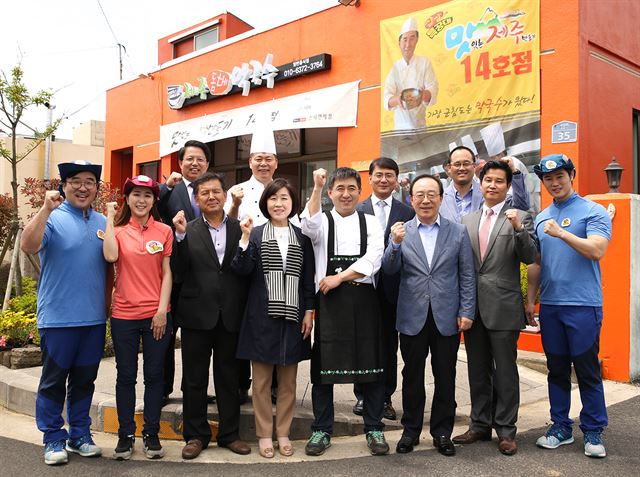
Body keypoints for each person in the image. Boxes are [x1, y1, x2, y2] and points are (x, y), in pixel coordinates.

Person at [21, 161, 108, 465]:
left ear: (97, 188)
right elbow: (28, 245)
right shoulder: (53, 218)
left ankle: (80, 435)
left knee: (85, 381)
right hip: (58, 318)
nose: (83, 187)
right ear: (64, 186)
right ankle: (53, 438)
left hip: (94, 319)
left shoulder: (103, 221)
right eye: (75, 181)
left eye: (89, 182)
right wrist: (44, 210)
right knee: (53, 381)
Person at [382, 174, 475, 456]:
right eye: (419, 195)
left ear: (440, 198)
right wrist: (394, 244)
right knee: (412, 376)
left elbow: (466, 275)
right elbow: (388, 269)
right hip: (412, 315)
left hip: (447, 315)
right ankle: (410, 431)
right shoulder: (400, 230)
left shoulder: (457, 232)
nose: (425, 200)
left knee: (445, 375)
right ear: (411, 199)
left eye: (431, 194)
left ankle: (442, 432)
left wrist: (467, 310)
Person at [526, 154, 612, 458]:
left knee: (587, 370)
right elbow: (537, 263)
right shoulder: (541, 218)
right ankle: (561, 427)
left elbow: (597, 250)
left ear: (571, 175)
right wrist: (530, 299)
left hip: (583, 305)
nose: (554, 183)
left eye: (560, 176)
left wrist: (562, 232)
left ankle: (592, 431)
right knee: (556, 370)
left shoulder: (593, 211)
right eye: (548, 179)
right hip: (551, 306)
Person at [301, 167, 388, 456]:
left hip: (364, 302)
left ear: (359, 191)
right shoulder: (322, 221)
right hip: (329, 305)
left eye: (351, 188)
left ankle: (374, 428)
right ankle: (322, 430)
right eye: (339, 188)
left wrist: (340, 277)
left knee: (371, 368)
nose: (346, 194)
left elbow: (375, 257)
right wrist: (315, 187)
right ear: (330, 193)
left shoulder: (372, 222)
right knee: (323, 371)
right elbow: (307, 225)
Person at [455, 161, 537, 456]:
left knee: (505, 371)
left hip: (503, 305)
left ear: (507, 186)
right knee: (477, 370)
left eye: (498, 181)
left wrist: (517, 228)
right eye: (487, 180)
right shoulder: (468, 220)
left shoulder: (521, 217)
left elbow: (530, 256)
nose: (492, 185)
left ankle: (506, 430)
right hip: (472, 307)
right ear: (480, 183)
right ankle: (479, 424)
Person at [231, 178, 315, 458]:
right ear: (265, 203)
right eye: (273, 198)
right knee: (262, 383)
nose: (279, 204)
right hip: (261, 318)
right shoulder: (254, 234)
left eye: (284, 198)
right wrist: (243, 238)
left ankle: (284, 432)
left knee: (289, 383)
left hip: (293, 319)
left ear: (293, 203)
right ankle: (265, 434)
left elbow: (307, 280)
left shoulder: (302, 238)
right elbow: (240, 271)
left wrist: (309, 312)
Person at [171, 172, 251, 459]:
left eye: (216, 191)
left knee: (228, 378)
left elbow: (244, 270)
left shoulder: (239, 228)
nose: (211, 197)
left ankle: (230, 434)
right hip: (196, 315)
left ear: (225, 194)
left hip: (230, 314)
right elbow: (178, 271)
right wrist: (178, 236)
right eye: (204, 193)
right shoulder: (186, 229)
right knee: (194, 379)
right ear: (196, 199)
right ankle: (196, 435)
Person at [103, 175, 173, 460]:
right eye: (136, 195)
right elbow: (109, 257)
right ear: (127, 199)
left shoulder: (164, 231)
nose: (141, 200)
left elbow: (167, 272)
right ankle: (126, 434)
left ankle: (151, 433)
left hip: (156, 315)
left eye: (147, 195)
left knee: (155, 377)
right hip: (123, 315)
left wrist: (161, 311)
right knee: (126, 376)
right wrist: (109, 216)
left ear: (154, 200)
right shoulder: (118, 231)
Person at [352, 158, 415, 421]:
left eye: (389, 175)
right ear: (370, 178)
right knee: (362, 343)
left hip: (393, 290)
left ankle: (386, 397)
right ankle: (362, 396)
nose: (383, 180)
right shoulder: (356, 209)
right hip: (362, 288)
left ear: (396, 179)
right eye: (379, 175)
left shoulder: (407, 212)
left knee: (389, 346)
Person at [157, 139, 210, 403]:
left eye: (200, 159)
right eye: (189, 158)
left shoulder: (212, 192)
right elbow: (151, 204)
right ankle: (163, 388)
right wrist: (165, 187)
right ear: (180, 163)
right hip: (171, 277)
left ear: (207, 164)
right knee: (166, 336)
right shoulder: (171, 190)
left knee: (195, 343)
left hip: (201, 279)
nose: (195, 163)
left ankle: (193, 390)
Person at [440, 146, 530, 223]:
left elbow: (521, 206)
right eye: (457, 164)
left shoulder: (489, 191)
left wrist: (514, 172)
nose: (462, 168)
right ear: (449, 168)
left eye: (466, 163)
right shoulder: (439, 198)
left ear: (474, 166)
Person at [383, 17, 438, 130]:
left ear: (417, 40)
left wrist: (422, 95)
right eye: (405, 39)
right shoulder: (395, 69)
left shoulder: (424, 62)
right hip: (400, 128)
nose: (408, 44)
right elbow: (386, 97)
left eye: (412, 38)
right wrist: (398, 100)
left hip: (421, 125)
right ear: (399, 42)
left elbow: (433, 87)